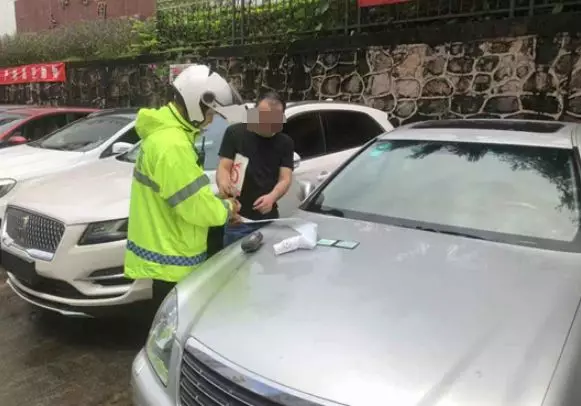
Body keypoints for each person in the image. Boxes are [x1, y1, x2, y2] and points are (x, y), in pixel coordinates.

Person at [124, 64, 244, 315]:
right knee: (177, 329)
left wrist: (213, 198)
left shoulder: (164, 135)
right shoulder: (173, 145)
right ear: (196, 105)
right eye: (211, 113)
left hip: (165, 252)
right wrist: (227, 207)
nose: (211, 120)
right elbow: (194, 207)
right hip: (174, 261)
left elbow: (182, 192)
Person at [216, 91, 294, 247]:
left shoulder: (285, 142)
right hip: (238, 220)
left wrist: (272, 197)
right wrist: (224, 185)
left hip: (268, 220)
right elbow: (224, 167)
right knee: (234, 262)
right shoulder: (235, 133)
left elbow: (285, 178)